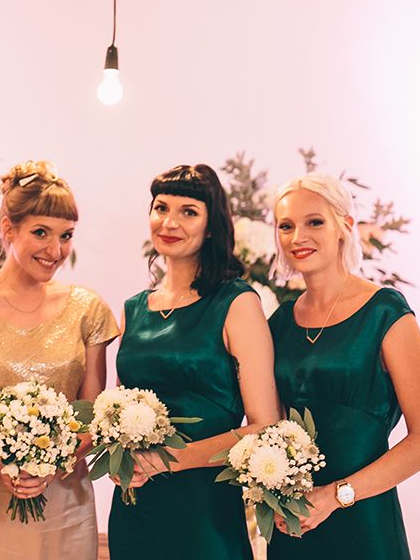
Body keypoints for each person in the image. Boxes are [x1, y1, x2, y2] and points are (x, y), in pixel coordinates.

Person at [0, 161, 118, 560]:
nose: (56, 251)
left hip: (65, 500)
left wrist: (54, 461)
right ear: (8, 228)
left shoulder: (88, 309)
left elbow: (92, 417)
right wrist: (1, 464)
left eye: (66, 236)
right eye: (40, 233)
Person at [108, 164, 282, 560]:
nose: (169, 221)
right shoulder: (133, 310)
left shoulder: (237, 303)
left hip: (204, 510)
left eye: (188, 211)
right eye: (160, 207)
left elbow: (265, 425)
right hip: (136, 506)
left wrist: (166, 461)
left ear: (211, 225)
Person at [268, 172, 420, 559]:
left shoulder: (386, 312)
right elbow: (268, 427)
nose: (297, 237)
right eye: (286, 226)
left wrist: (337, 496)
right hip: (294, 522)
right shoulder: (279, 323)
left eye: (314, 222)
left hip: (364, 520)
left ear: (344, 227)